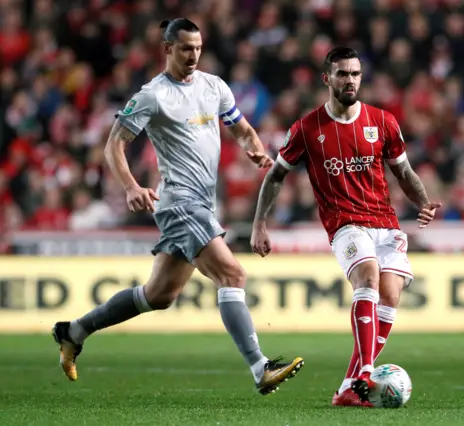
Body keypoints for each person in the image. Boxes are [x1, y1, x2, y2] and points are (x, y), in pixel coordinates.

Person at [51, 18, 304, 395]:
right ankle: (259, 367)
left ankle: (74, 331)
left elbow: (241, 127)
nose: (193, 55)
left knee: (159, 295)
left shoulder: (213, 86)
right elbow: (113, 145)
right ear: (167, 49)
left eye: (198, 48)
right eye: (186, 48)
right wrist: (132, 186)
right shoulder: (153, 95)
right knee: (232, 275)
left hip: (202, 203)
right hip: (178, 202)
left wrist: (253, 147)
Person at [251, 46, 441, 407]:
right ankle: (366, 371)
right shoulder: (307, 129)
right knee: (367, 276)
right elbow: (276, 176)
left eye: (355, 74)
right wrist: (260, 223)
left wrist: (423, 203)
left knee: (390, 294)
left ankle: (347, 389)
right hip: (345, 224)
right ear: (327, 78)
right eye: (342, 74)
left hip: (385, 223)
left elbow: (403, 171)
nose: (349, 80)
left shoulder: (383, 121)